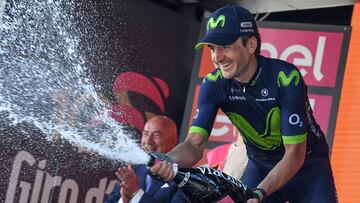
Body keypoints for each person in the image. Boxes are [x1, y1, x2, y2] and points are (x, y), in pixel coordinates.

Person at [150, 5, 337, 203]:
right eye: (212, 48)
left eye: (225, 46)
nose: (216, 57)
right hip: (261, 165)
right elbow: (194, 144)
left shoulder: (285, 78)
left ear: (251, 45)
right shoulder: (213, 85)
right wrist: (168, 159)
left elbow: (295, 155)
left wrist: (259, 192)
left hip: (308, 167)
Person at [105, 115, 187, 203]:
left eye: (156, 135)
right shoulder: (132, 170)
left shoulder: (184, 179)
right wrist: (124, 200)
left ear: (173, 141)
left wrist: (136, 193)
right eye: (145, 134)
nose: (148, 141)